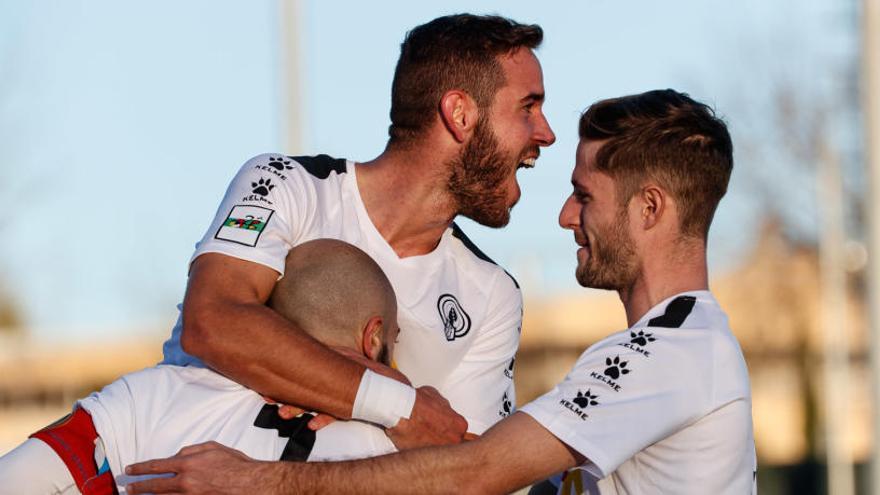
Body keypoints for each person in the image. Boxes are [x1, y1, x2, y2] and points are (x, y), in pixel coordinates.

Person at [126, 89, 757, 495]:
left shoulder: (670, 353)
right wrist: (376, 400)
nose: (566, 216)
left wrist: (257, 481)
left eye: (585, 195)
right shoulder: (670, 349)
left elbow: (478, 473)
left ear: (650, 207)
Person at [157, 13, 555, 452]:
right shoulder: (283, 183)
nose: (547, 133)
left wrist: (323, 382)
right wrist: (395, 402)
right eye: (528, 106)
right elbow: (213, 322)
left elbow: (472, 468)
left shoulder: (494, 295)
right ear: (459, 113)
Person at [0, 239, 405, 494]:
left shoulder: (152, 397)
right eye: (394, 342)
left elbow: (16, 480)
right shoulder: (398, 459)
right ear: (373, 339)